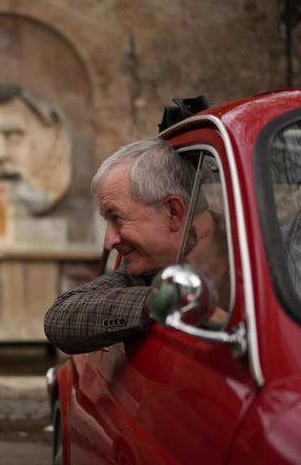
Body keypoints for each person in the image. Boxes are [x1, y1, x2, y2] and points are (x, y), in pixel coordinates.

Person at [44, 137, 223, 354]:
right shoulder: (139, 276)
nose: (109, 242)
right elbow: (60, 318)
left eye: (117, 218)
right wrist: (163, 299)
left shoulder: (264, 251)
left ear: (173, 212)